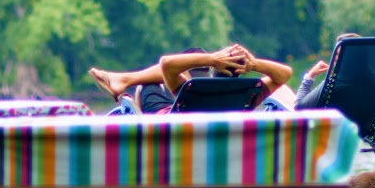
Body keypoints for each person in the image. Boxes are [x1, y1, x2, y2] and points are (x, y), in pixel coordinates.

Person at [89, 44, 292, 114]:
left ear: (215, 71)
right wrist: (254, 64)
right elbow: (285, 74)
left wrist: (212, 59)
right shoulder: (248, 95)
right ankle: (122, 80)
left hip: (168, 125)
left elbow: (166, 63)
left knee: (151, 82)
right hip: (201, 128)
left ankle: (124, 81)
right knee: (194, 55)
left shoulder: (195, 90)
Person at [291, 32, 361, 109]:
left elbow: (299, 109)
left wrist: (309, 76)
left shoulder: (333, 85)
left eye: (338, 54)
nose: (334, 59)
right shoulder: (374, 81)